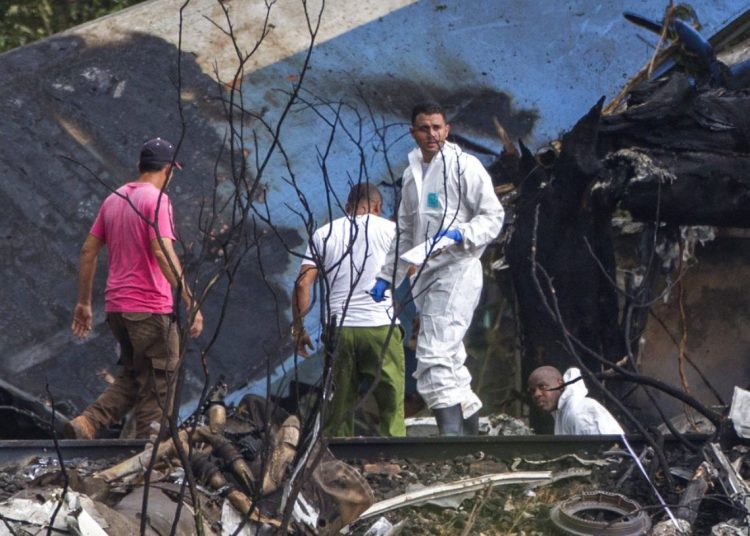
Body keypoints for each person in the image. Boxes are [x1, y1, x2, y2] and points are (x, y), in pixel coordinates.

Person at [370, 101, 505, 436]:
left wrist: (463, 232)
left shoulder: (465, 167)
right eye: (424, 128)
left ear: (447, 129)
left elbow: (493, 215)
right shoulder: (412, 173)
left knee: (433, 351)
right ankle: (469, 437)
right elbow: (404, 232)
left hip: (458, 267)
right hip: (425, 275)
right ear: (412, 132)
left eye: (437, 127)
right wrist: (387, 277)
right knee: (450, 358)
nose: (431, 134)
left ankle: (450, 437)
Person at [66, 137, 203, 440]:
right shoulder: (157, 201)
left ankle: (87, 423)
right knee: (161, 381)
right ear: (168, 170)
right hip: (150, 308)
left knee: (134, 374)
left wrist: (84, 303)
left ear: (139, 165)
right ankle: (150, 455)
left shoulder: (114, 198)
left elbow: (88, 250)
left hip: (118, 309)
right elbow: (161, 251)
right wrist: (189, 299)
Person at [292, 183, 406, 437]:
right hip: (381, 328)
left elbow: (302, 285)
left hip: (339, 329)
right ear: (378, 207)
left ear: (347, 208)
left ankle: (337, 458)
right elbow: (410, 270)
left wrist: (298, 329)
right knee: (391, 397)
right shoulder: (392, 230)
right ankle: (394, 456)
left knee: (340, 401)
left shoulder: (324, 233)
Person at [527, 366, 624, 435]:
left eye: (542, 386)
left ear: (560, 384)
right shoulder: (562, 413)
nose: (537, 394)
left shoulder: (580, 410)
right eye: (532, 391)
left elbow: (599, 455)